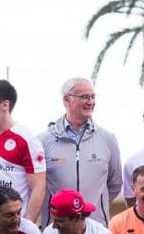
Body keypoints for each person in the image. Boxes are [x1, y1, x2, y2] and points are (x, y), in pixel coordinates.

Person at [39, 77, 122, 225]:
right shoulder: (43, 140)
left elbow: (115, 184)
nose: (90, 102)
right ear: (66, 100)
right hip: (56, 228)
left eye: (92, 97)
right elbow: (37, 187)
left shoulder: (108, 139)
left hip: (96, 229)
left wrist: (96, 208)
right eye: (84, 97)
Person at [0, 79, 46, 223]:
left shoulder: (26, 139)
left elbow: (38, 188)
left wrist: (27, 226)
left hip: (11, 226)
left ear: (5, 105)